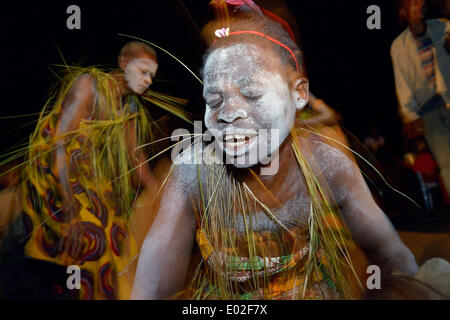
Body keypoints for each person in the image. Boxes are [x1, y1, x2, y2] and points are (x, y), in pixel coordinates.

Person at [130, 2, 431, 300]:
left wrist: (401, 285)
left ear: (298, 92)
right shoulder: (192, 171)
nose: (229, 112)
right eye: (215, 96)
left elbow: (389, 252)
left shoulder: (323, 159)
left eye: (251, 93)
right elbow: (151, 286)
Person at [1, 41, 161, 300]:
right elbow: (58, 144)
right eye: (143, 71)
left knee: (118, 234)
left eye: (152, 76)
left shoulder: (129, 107)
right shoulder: (89, 84)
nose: (148, 80)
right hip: (53, 170)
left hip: (86, 176)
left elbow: (134, 156)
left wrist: (158, 190)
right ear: (123, 63)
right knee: (92, 236)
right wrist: (69, 208)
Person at [390, 0, 450, 198]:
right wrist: (410, 116)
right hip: (428, 110)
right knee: (446, 162)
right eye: (411, 3)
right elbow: (403, 86)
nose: (418, 3)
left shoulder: (444, 27)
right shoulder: (398, 47)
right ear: (403, 11)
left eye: (420, 1)